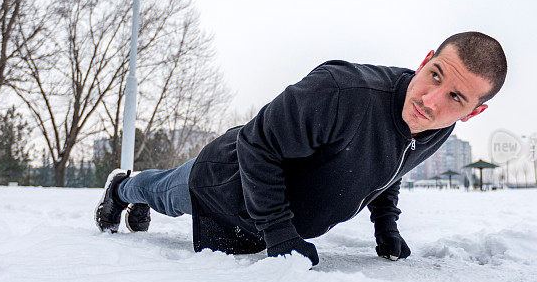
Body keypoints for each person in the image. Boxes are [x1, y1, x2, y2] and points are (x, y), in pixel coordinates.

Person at [95, 31, 507, 266]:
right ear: (425, 59)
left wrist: (387, 226)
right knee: (165, 192)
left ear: (473, 112)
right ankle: (121, 188)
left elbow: (390, 168)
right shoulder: (342, 91)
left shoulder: (435, 128)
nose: (430, 101)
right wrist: (279, 234)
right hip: (229, 182)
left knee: (167, 190)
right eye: (434, 75)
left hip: (272, 215)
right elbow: (257, 144)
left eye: (456, 98)